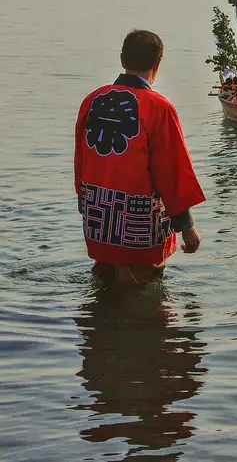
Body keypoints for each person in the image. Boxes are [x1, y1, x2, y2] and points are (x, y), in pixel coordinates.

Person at [74, 29, 205, 285]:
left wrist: (85, 201)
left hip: (97, 213)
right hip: (138, 219)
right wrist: (186, 226)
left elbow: (81, 158)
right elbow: (172, 170)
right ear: (157, 65)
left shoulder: (93, 100)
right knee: (141, 289)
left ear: (122, 59)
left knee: (106, 280)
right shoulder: (158, 107)